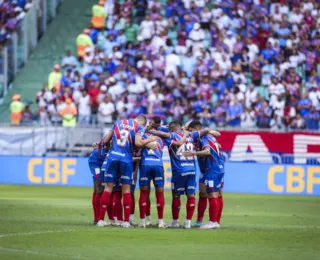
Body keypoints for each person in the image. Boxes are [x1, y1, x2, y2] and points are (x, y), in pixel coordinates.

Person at [97, 115, 159, 228]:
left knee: (107, 188)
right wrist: (150, 139)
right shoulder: (138, 127)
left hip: (113, 157)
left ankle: (101, 220)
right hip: (126, 160)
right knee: (126, 189)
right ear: (142, 123)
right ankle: (126, 222)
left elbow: (105, 140)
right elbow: (138, 143)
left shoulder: (118, 122)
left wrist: (107, 149)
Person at [151, 120, 210, 229]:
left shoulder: (171, 136)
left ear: (172, 129)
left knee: (176, 195)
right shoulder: (191, 135)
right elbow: (206, 130)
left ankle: (175, 222)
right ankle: (188, 223)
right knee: (191, 195)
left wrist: (152, 130)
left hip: (179, 170)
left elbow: (162, 134)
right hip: (192, 169)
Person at [138, 117, 187, 228]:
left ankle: (142, 222)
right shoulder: (162, 137)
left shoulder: (142, 134)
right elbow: (176, 140)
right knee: (159, 193)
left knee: (144, 193)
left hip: (145, 164)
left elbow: (137, 143)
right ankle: (160, 221)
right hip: (158, 165)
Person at [183, 120, 225, 229]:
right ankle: (200, 221)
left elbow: (207, 151)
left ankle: (214, 221)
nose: (189, 133)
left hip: (213, 168)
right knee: (203, 193)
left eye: (191, 131)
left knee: (214, 194)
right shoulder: (204, 137)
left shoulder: (204, 137)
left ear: (197, 130)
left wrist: (193, 153)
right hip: (206, 169)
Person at [89, 140, 107, 224]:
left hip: (97, 160)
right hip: (96, 161)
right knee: (99, 188)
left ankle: (97, 218)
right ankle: (98, 219)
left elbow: (96, 144)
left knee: (97, 189)